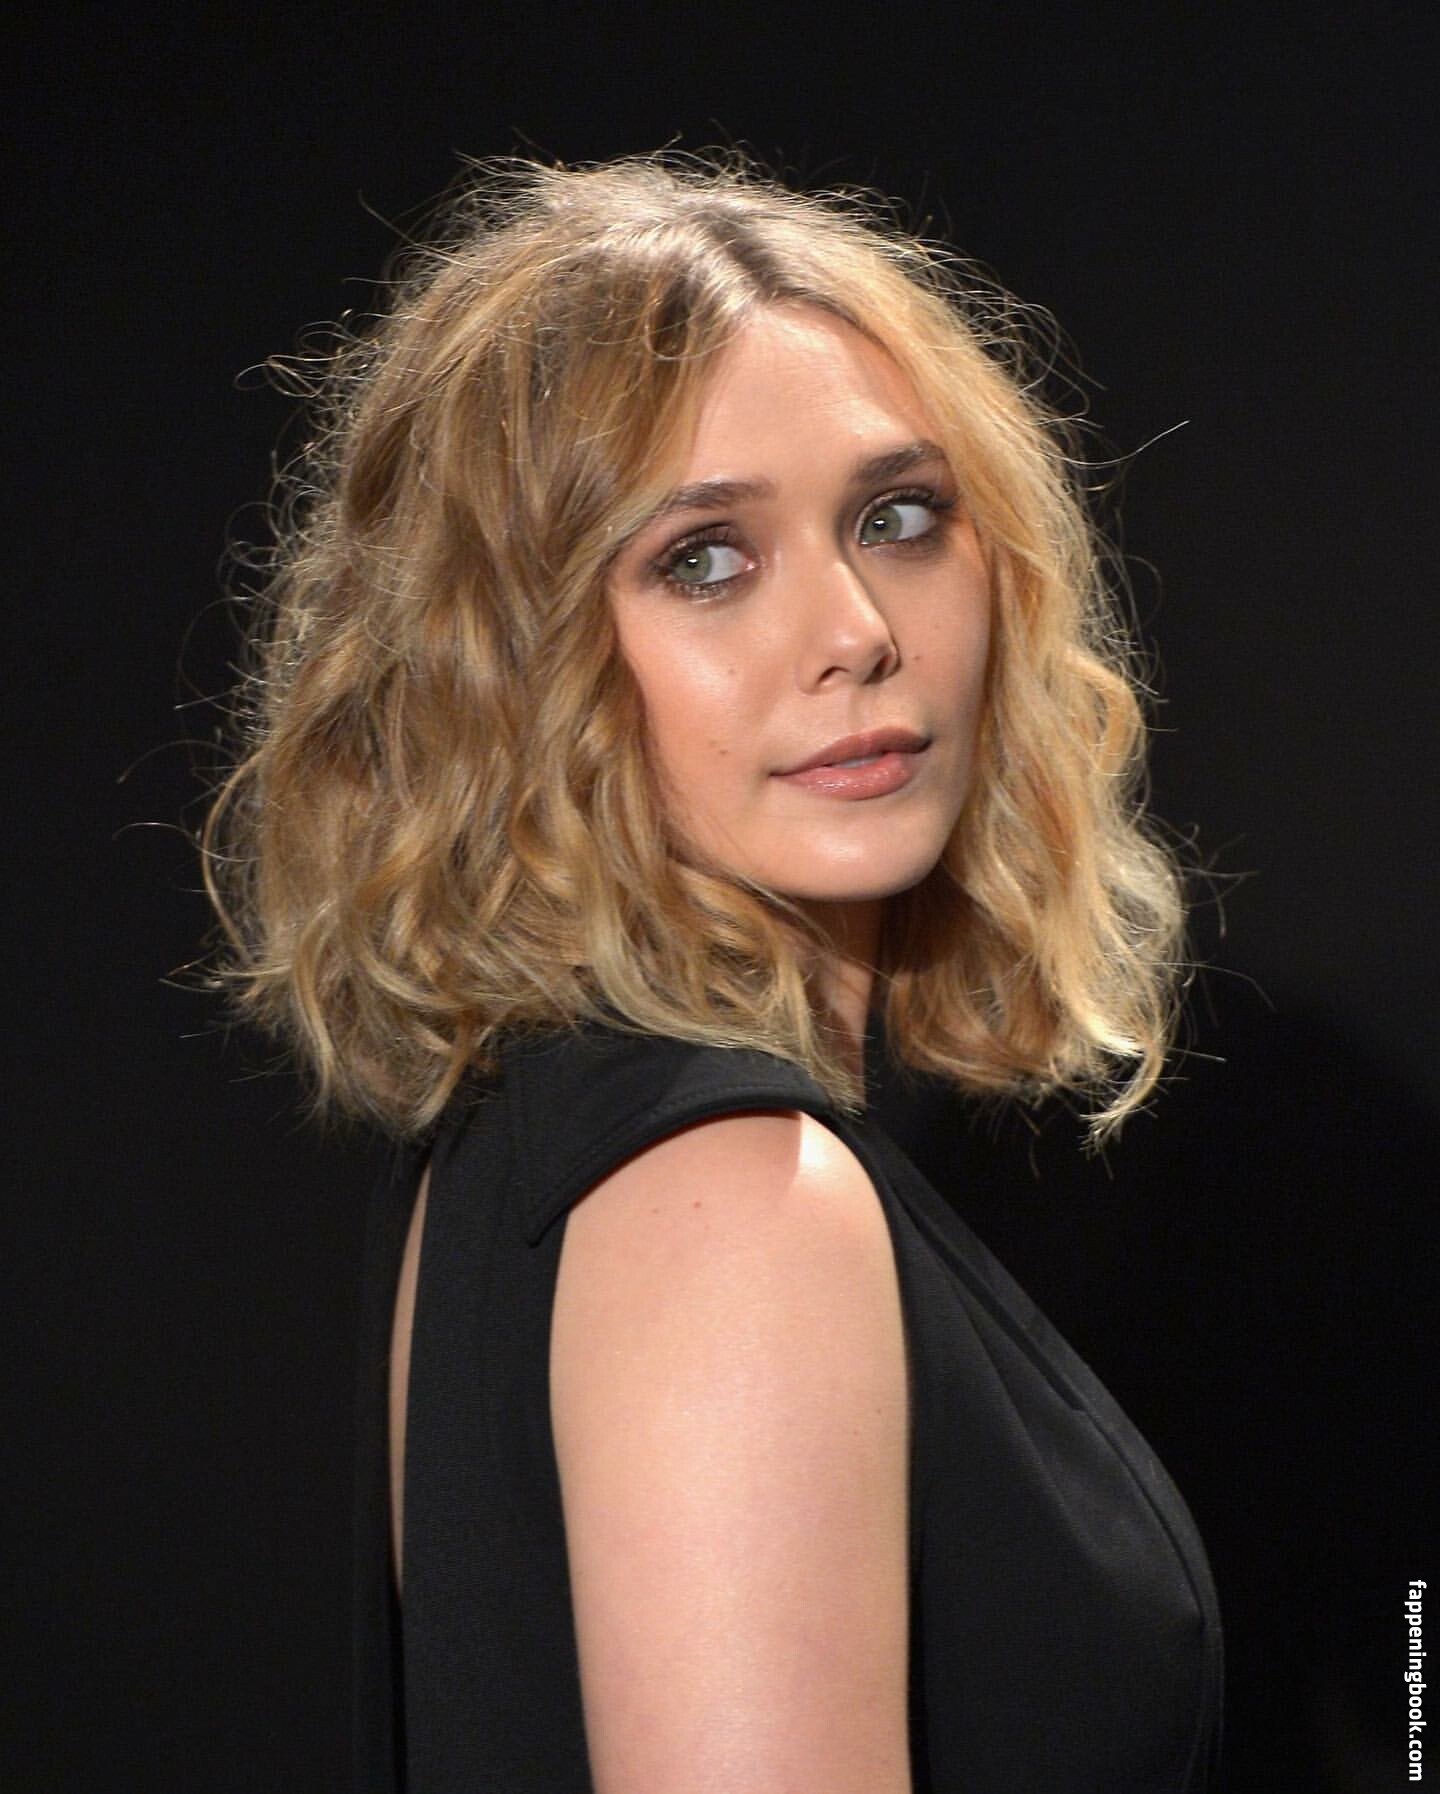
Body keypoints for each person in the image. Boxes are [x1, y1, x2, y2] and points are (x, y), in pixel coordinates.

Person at [201, 152, 1222, 1792]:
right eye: (706, 560)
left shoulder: (530, 1149)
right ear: (513, 665)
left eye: (899, 518)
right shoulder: (738, 1198)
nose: (856, 628)